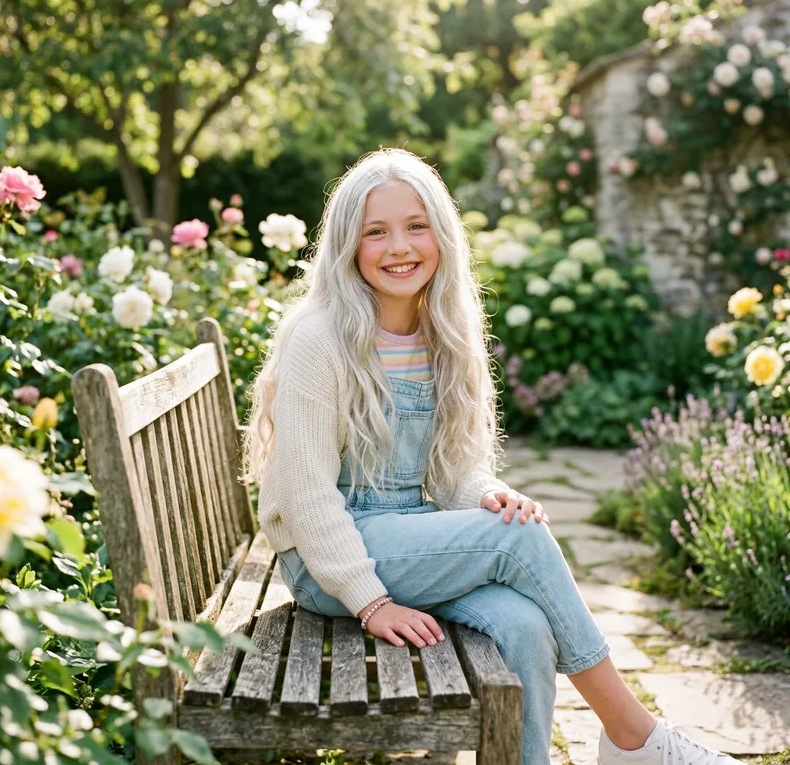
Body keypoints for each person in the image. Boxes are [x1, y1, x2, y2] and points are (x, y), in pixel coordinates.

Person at [243, 148, 743, 764]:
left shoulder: (443, 332)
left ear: (443, 236)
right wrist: (369, 601)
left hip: (405, 537)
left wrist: (483, 494)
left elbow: (452, 464)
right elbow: (305, 492)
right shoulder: (320, 338)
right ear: (348, 244)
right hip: (326, 561)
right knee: (517, 541)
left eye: (416, 226)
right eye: (377, 231)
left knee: (524, 625)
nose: (399, 246)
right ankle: (632, 735)